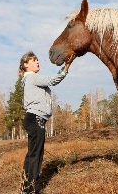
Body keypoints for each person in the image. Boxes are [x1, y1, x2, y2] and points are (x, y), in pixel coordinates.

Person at [18, 51, 71, 194]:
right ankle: (31, 187)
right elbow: (52, 80)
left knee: (32, 153)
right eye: (33, 60)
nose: (37, 62)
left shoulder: (28, 79)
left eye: (37, 59)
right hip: (35, 119)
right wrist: (65, 69)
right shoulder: (32, 77)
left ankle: (26, 185)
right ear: (25, 65)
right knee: (36, 154)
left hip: (33, 119)